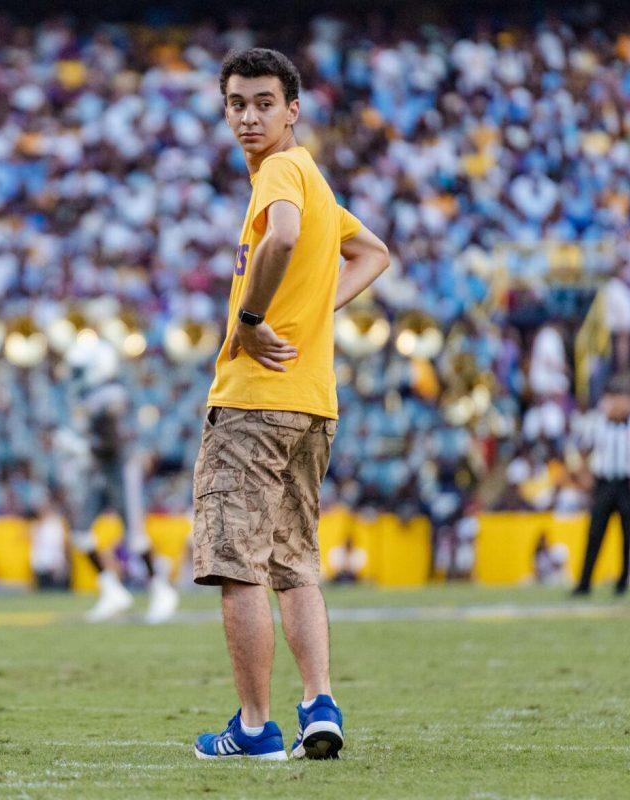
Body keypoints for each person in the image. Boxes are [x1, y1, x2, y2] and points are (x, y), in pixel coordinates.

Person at [192, 48, 388, 762]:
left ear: (293, 111)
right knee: (295, 561)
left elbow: (279, 235)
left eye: (264, 103)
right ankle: (319, 704)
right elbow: (374, 253)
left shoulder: (280, 170)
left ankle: (253, 728)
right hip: (313, 407)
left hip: (255, 403)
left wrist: (249, 319)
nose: (249, 116)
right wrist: (315, 315)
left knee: (237, 565)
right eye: (237, 103)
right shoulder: (314, 178)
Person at [61, 337, 179, 623]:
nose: (76, 376)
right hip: (101, 470)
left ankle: (162, 590)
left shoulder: (110, 395)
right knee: (80, 532)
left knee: (135, 535)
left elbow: (113, 443)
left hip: (121, 468)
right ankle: (112, 591)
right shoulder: (91, 396)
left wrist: (79, 447)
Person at [572, 374, 630, 596]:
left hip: (626, 484)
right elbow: (582, 451)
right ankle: (585, 582)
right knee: (594, 533)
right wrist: (584, 475)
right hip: (603, 483)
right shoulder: (597, 423)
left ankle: (623, 582)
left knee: (627, 534)